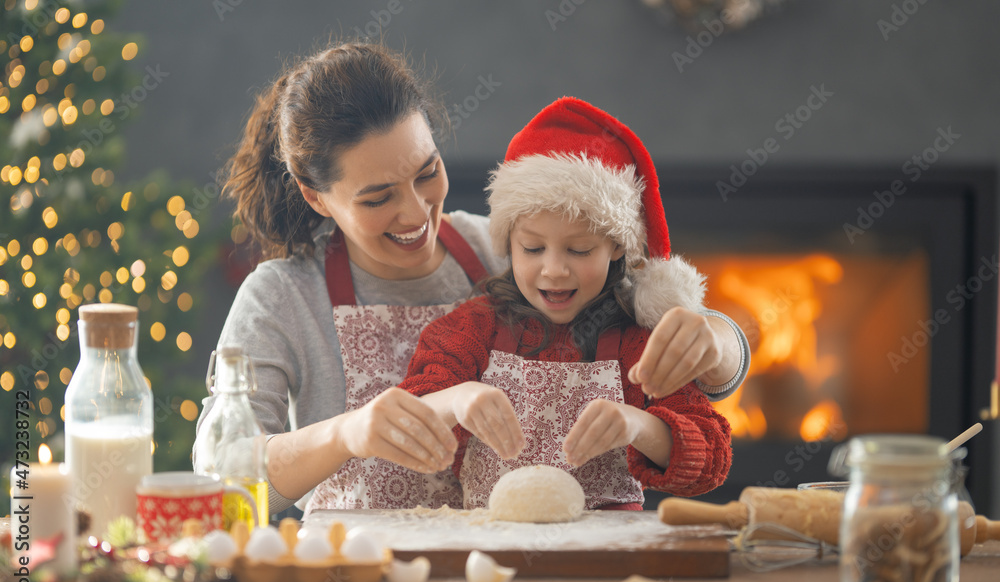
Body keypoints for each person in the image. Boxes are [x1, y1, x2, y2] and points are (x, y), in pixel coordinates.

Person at [195, 41, 749, 518]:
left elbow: (671, 346)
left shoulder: (512, 249)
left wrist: (714, 338)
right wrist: (345, 432)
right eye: (378, 197)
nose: (416, 214)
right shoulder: (281, 296)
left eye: (426, 173)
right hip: (361, 580)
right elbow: (221, 478)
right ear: (315, 195)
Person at [396, 97, 732, 510]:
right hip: (492, 547)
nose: (553, 270)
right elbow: (404, 422)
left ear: (614, 249)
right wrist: (457, 399)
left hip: (607, 558)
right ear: (508, 244)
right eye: (533, 248)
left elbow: (711, 462)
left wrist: (639, 425)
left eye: (579, 250)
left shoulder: (638, 342)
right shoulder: (474, 329)